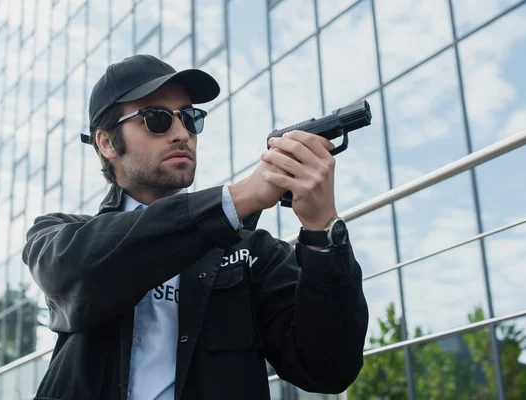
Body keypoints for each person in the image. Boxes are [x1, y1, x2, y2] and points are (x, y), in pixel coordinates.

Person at [22, 54, 369, 400]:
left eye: (190, 118)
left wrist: (323, 230)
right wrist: (239, 197)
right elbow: (84, 271)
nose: (181, 134)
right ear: (107, 142)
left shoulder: (252, 253)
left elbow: (328, 367)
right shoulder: (58, 236)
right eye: (156, 119)